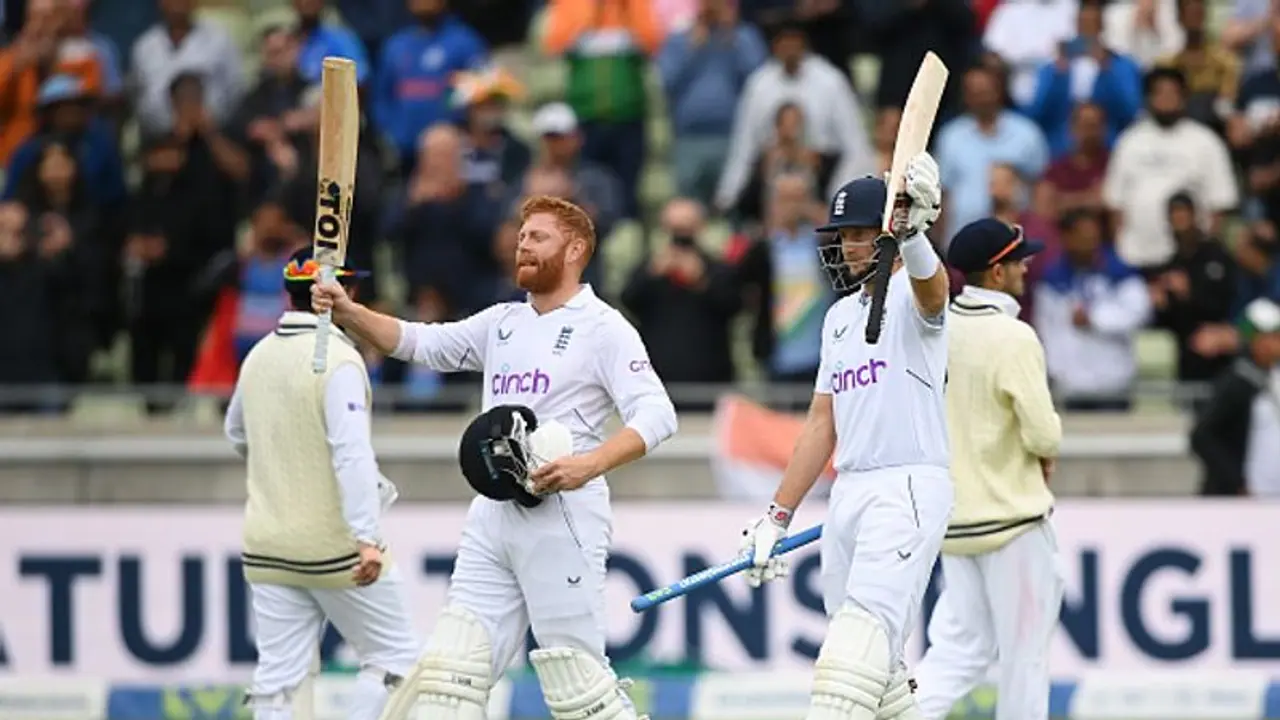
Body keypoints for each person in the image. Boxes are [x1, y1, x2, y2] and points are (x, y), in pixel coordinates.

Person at [311, 195, 678, 720]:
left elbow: (658, 415)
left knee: (579, 689)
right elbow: (420, 343)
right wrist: (348, 312)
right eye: (521, 235)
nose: (522, 245)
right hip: (492, 516)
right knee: (447, 681)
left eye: (538, 237)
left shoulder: (604, 327)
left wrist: (588, 464)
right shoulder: (503, 321)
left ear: (575, 250)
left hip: (563, 516)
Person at [738, 156, 951, 720]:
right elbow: (819, 425)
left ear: (885, 233)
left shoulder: (912, 292)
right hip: (850, 493)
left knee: (847, 668)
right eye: (843, 237)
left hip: (906, 485)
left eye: (860, 234)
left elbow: (935, 294)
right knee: (877, 675)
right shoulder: (836, 319)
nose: (850, 247)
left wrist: (916, 236)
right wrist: (776, 516)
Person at [224, 248, 419, 720]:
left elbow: (236, 432)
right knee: (398, 659)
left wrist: (286, 469)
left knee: (277, 682)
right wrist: (366, 537)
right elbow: (352, 454)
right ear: (343, 293)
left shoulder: (259, 356)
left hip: (267, 544)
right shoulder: (338, 360)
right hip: (336, 547)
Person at [912, 219, 1064, 720]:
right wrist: (1046, 451)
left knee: (957, 653)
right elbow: (1043, 433)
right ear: (996, 273)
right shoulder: (1013, 336)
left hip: (955, 523)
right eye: (1018, 261)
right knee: (1025, 659)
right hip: (1012, 524)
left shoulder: (937, 330)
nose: (1026, 267)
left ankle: (900, 715)